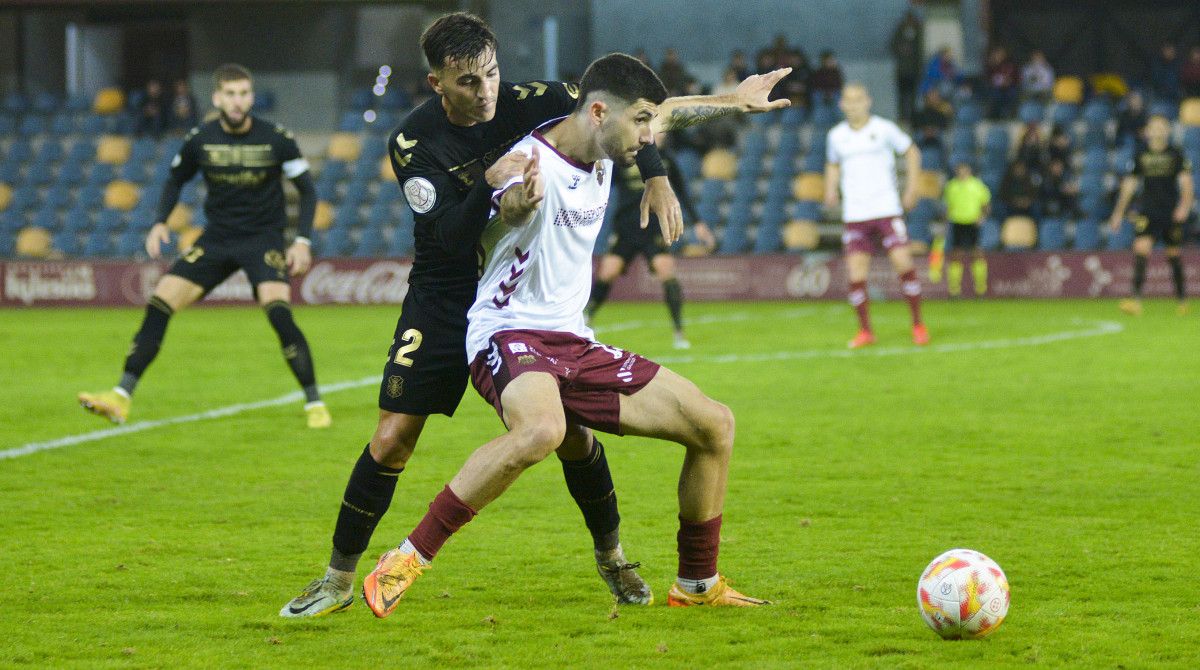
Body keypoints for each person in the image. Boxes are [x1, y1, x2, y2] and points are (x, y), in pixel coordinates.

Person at [278, 12, 791, 617]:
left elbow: (644, 107)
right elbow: (448, 236)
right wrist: (505, 200)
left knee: (586, 435)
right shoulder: (420, 144)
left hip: (556, 319)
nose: (487, 91)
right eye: (469, 82)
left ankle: (632, 562)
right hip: (456, 292)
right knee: (398, 438)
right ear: (437, 82)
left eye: (492, 73)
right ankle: (343, 577)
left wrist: (694, 135)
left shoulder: (552, 103)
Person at [78, 64, 327, 428]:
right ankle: (121, 396)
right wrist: (161, 221)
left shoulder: (277, 138)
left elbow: (307, 191)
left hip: (263, 239)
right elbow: (174, 180)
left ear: (251, 97)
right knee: (161, 300)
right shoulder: (201, 138)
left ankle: (314, 402)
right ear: (217, 98)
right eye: (230, 94)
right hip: (217, 238)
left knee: (278, 311)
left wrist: (301, 241)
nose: (237, 101)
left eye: (243, 93)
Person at [824, 83, 927, 349]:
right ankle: (865, 331)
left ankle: (917, 324)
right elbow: (833, 164)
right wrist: (830, 190)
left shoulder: (884, 129)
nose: (854, 104)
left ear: (868, 101)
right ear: (842, 105)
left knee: (903, 263)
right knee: (856, 272)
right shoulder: (836, 136)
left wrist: (912, 188)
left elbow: (912, 151)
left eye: (858, 99)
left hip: (886, 208)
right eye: (849, 100)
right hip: (855, 213)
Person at [587, 132, 715, 349]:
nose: (660, 134)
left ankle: (678, 332)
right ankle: (586, 318)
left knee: (667, 273)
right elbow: (604, 185)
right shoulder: (625, 158)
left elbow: (681, 192)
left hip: (654, 227)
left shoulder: (665, 160)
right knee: (607, 272)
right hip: (626, 227)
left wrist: (698, 223)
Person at [1109, 115, 1194, 316]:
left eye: (1162, 127)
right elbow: (1129, 186)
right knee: (1141, 250)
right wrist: (1118, 213)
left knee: (1173, 255)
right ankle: (1135, 300)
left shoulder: (1176, 155)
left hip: (1169, 213)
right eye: (1154, 127)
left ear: (1168, 131)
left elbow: (1186, 184)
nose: (1158, 130)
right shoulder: (1140, 155)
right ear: (1147, 132)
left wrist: (1184, 206)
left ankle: (1182, 300)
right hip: (1147, 212)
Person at [941, 161, 991, 297]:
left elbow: (986, 204)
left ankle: (981, 289)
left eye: (965, 170)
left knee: (977, 253)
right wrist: (945, 222)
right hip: (957, 222)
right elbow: (947, 206)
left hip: (972, 222)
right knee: (956, 254)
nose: (962, 173)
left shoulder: (977, 186)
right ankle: (954, 290)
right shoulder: (951, 186)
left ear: (969, 171)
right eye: (960, 170)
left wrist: (982, 217)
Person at [890, 9, 923, 122]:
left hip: (914, 70)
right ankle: (903, 118)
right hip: (902, 71)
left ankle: (913, 118)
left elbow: (921, 50)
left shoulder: (918, 30)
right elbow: (892, 46)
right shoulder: (900, 31)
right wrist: (901, 49)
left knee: (913, 97)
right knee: (902, 97)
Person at [984, 45, 1018, 120]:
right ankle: (994, 115)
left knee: (1012, 93)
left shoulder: (1010, 65)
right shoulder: (990, 67)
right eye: (997, 54)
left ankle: (1008, 114)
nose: (999, 56)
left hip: (1009, 88)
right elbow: (988, 79)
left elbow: (1016, 78)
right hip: (995, 88)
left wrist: (1010, 82)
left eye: (1001, 54)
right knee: (995, 95)